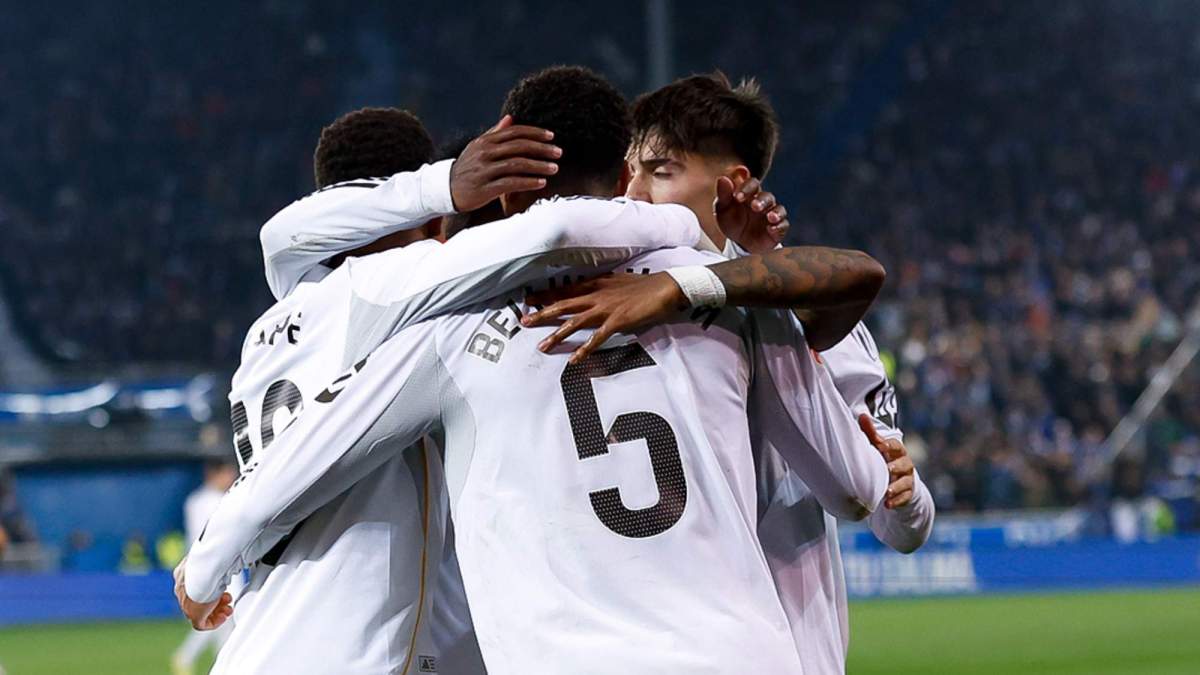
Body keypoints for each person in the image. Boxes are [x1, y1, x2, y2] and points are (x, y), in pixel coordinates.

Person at [181, 65, 889, 674]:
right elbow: (861, 488)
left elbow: (297, 462)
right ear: (623, 178)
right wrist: (694, 248)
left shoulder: (446, 332)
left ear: (505, 195)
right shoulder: (734, 290)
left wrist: (206, 563)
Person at [175, 100, 708, 674]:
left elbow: (279, 237)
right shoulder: (392, 291)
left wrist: (205, 566)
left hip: (263, 640)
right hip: (346, 655)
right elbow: (552, 233)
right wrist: (691, 230)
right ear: (430, 221)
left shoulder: (270, 326)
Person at [556, 70, 936, 673]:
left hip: (784, 645)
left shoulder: (814, 314)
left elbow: (890, 510)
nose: (633, 196)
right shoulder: (599, 300)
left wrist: (905, 494)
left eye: (660, 172)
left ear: (731, 184)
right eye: (629, 172)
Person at [171, 459, 238, 675]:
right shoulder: (223, 500)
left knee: (220, 619)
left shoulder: (194, 500)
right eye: (228, 472)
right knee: (222, 615)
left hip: (198, 562)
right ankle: (188, 656)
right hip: (222, 564)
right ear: (215, 474)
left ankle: (219, 665)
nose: (231, 477)